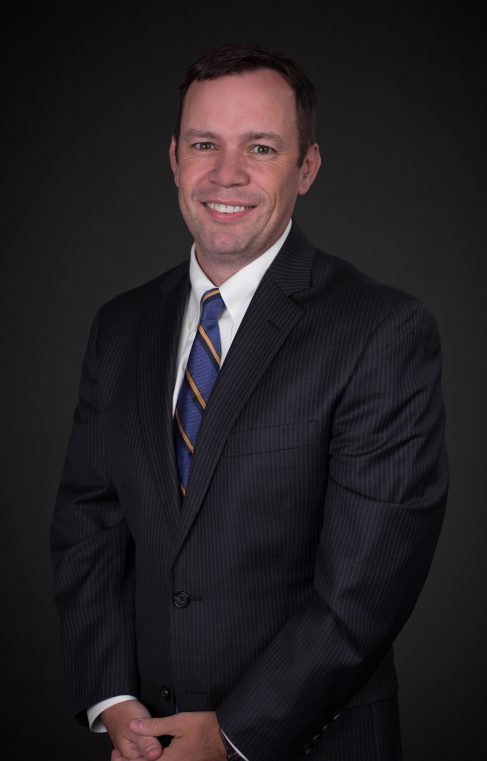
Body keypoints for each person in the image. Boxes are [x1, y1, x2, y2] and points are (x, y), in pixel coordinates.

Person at [50, 43, 448, 761]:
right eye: (204, 144)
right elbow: (89, 525)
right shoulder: (121, 326)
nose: (226, 173)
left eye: (260, 147)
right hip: (147, 742)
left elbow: (366, 589)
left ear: (307, 168)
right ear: (175, 159)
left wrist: (231, 734)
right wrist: (113, 700)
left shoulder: (380, 330)